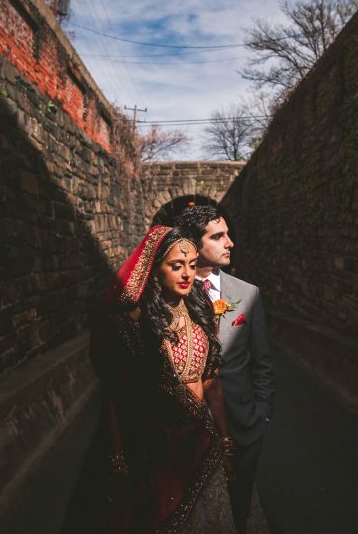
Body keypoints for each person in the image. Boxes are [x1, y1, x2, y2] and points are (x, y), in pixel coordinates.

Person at [91, 225, 237, 533]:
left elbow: (212, 382)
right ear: (155, 270)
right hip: (155, 449)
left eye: (192, 266)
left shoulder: (201, 312)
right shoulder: (132, 325)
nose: (186, 274)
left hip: (202, 440)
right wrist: (117, 458)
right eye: (176, 265)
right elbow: (116, 395)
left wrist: (225, 439)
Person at [176, 205, 274, 534]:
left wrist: (261, 414)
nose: (230, 242)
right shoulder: (173, 295)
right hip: (188, 431)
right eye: (218, 236)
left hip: (243, 425)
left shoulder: (248, 295)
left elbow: (262, 364)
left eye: (228, 234)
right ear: (193, 243)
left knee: (239, 507)